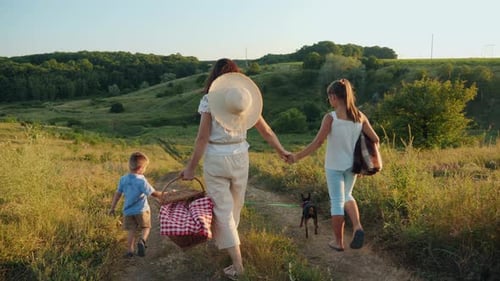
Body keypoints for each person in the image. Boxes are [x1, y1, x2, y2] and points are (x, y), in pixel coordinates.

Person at [180, 58, 290, 280]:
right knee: (234, 207)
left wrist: (191, 167)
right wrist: (281, 150)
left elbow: (202, 137)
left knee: (223, 210)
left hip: (216, 157)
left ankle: (237, 264)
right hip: (241, 156)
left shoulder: (210, 99)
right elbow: (266, 130)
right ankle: (232, 247)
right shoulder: (244, 100)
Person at [288, 78, 379, 251]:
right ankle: (358, 227)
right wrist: (367, 163)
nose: (329, 101)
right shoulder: (360, 116)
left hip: (334, 166)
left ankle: (338, 242)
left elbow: (317, 143)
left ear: (334, 97)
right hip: (352, 166)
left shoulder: (331, 117)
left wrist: (296, 157)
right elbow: (375, 139)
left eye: (329, 97)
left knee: (337, 201)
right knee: (348, 196)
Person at [109, 151, 162, 258]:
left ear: (130, 165)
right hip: (142, 210)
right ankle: (142, 241)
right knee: (146, 227)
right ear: (141, 168)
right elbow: (153, 194)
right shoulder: (141, 181)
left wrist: (112, 208)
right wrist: (164, 194)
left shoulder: (123, 179)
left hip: (128, 211)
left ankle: (130, 251)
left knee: (131, 231)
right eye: (145, 168)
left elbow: (118, 194)